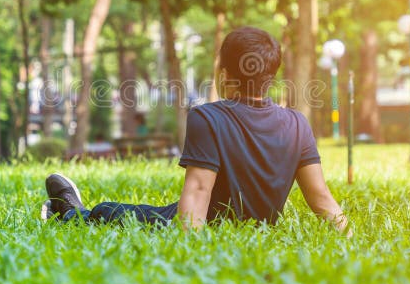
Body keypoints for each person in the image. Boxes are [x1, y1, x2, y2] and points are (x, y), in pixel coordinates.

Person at [41, 26, 350, 234]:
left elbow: (199, 194)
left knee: (115, 211)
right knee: (149, 211)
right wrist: (348, 235)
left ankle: (70, 214)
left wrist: (190, 249)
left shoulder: (208, 117)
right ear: (272, 75)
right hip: (255, 232)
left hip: (204, 224)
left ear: (225, 74)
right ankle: (71, 212)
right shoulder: (298, 123)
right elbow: (320, 197)